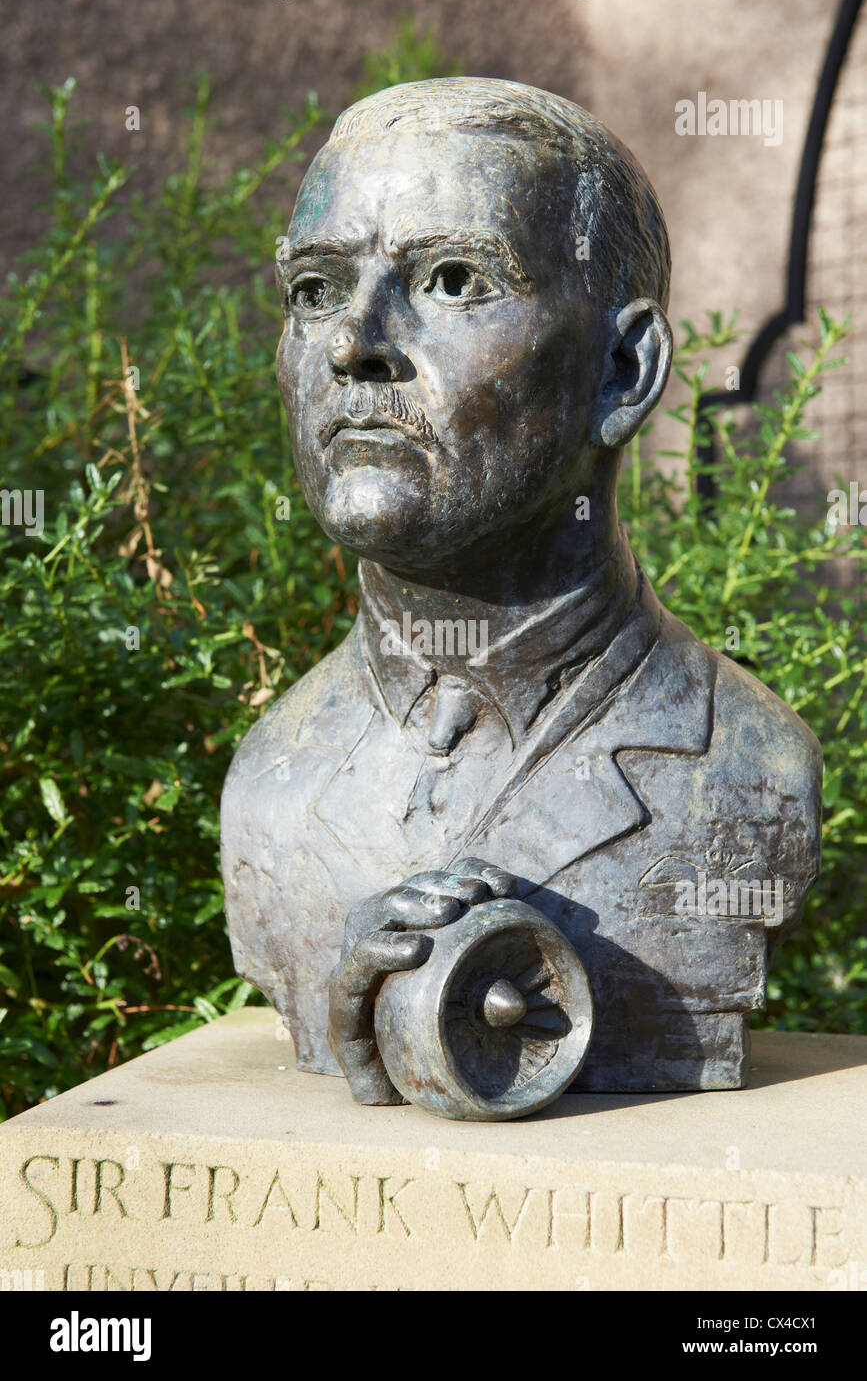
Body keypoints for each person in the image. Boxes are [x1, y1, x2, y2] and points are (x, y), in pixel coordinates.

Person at [221, 78, 821, 1103]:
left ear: (622, 373)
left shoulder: (746, 763)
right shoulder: (271, 778)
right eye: (316, 288)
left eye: (453, 280)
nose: (350, 343)